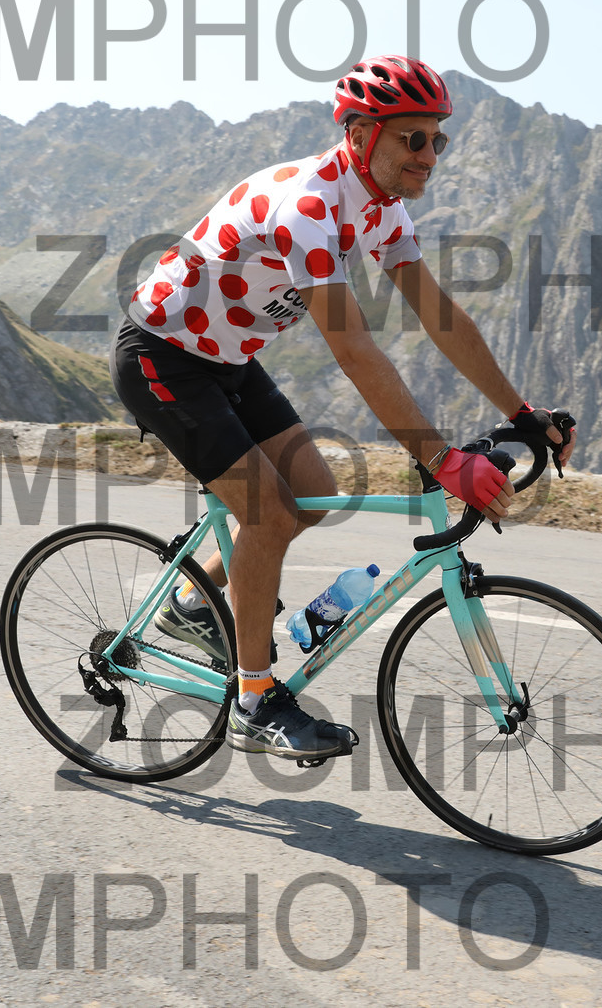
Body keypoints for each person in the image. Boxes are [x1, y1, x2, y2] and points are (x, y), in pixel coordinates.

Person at [110, 54, 573, 761]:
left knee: (313, 493)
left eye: (437, 139)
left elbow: (440, 316)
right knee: (267, 512)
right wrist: (442, 460)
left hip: (227, 361)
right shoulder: (308, 206)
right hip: (162, 358)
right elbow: (354, 349)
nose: (429, 155)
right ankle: (254, 701)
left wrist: (522, 413)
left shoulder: (382, 207)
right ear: (360, 135)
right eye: (413, 138)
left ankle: (193, 601)